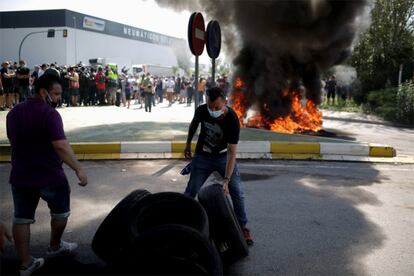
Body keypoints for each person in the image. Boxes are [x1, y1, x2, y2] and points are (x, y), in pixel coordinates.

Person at [6, 74, 88, 276]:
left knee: (21, 219)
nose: (59, 97)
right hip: (49, 175)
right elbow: (60, 145)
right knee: (60, 213)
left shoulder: (13, 113)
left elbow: (13, 140)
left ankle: (25, 264)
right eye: (56, 93)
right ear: (44, 92)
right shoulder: (50, 114)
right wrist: (78, 168)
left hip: (21, 175)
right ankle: (54, 246)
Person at [183, 86, 253, 246]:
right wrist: (188, 144)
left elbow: (232, 153)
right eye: (210, 106)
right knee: (190, 191)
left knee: (237, 192)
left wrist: (226, 180)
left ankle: (242, 226)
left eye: (217, 107)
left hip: (223, 158)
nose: (212, 110)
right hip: (202, 157)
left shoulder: (233, 120)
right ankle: (184, 223)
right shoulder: (202, 110)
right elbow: (194, 125)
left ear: (225, 102)